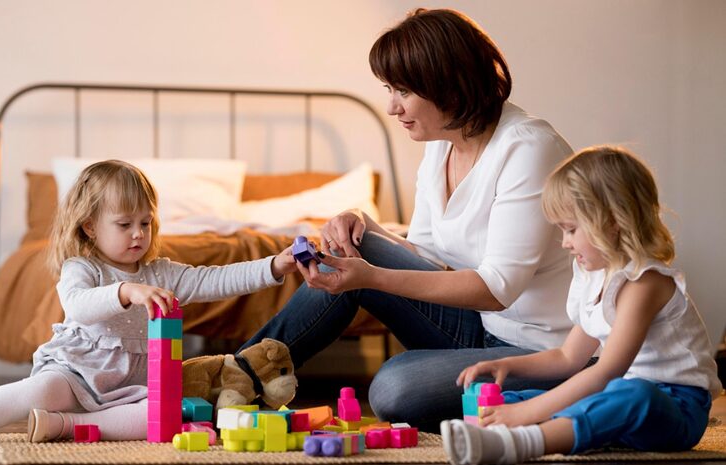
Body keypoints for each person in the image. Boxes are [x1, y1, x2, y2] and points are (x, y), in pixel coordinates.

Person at [240, 8, 575, 431]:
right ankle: (235, 377)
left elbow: (496, 290)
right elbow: (428, 256)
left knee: (393, 389)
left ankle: (564, 393)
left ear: (449, 86)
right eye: (389, 89)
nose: (391, 107)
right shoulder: (441, 144)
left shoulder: (527, 149)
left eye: (403, 91)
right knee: (348, 246)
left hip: (545, 351)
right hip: (480, 331)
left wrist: (370, 277)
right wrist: (365, 223)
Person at [0, 159, 298, 448]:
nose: (138, 234)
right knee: (40, 391)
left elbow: (217, 279)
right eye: (124, 224)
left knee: (164, 415)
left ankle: (66, 426)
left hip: (135, 383)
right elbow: (77, 306)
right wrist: (126, 292)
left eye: (146, 222)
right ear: (90, 226)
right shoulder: (81, 267)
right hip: (77, 373)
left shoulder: (162, 271)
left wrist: (274, 266)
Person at [441, 146, 722, 465]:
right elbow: (568, 356)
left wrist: (526, 414)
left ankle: (525, 443)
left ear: (613, 221)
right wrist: (509, 366)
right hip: (617, 396)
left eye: (571, 229)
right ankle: (489, 434)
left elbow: (607, 370)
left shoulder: (645, 283)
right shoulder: (594, 278)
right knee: (518, 400)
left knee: (630, 396)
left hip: (676, 408)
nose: (564, 243)